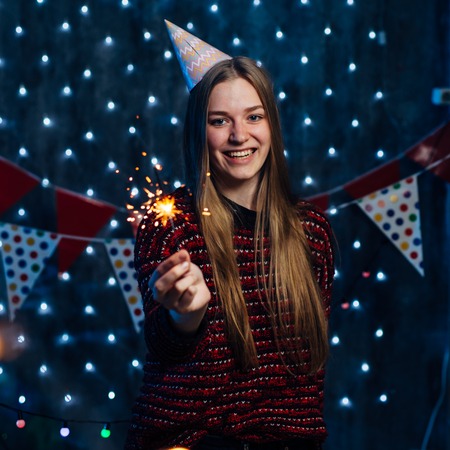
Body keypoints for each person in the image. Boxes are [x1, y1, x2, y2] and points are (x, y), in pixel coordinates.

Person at [125, 21, 335, 450]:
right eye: (220, 121)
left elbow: (308, 385)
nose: (240, 136)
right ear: (199, 131)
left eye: (253, 117)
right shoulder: (170, 225)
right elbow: (163, 347)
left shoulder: (311, 231)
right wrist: (184, 317)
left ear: (271, 125)